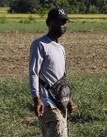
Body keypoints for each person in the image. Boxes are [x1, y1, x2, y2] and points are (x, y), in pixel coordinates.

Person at [29, 8, 77, 137]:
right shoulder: (40, 44)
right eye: (58, 22)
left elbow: (62, 78)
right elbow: (34, 73)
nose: (62, 26)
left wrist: (69, 99)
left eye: (64, 23)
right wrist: (36, 99)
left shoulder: (61, 48)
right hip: (47, 102)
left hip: (61, 101)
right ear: (48, 23)